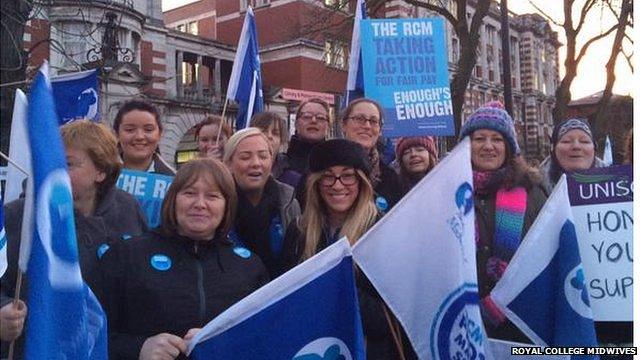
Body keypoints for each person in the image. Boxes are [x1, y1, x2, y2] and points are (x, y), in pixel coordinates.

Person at [1, 120, 147, 357]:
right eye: (53, 160)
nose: (55, 169)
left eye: (68, 164)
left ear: (101, 171)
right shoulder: (17, 215)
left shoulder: (128, 209)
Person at [101, 158, 268, 360]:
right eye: (189, 193)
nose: (200, 204)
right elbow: (89, 334)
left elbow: (266, 338)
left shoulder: (249, 268)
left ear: (227, 205)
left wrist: (223, 342)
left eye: (212, 196)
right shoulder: (127, 256)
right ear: (173, 199)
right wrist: (139, 348)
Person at [281, 139, 416, 359]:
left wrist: (337, 284)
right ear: (316, 182)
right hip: (312, 348)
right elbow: (285, 301)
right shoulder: (298, 232)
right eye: (328, 176)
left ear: (361, 181)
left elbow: (391, 318)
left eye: (347, 175)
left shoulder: (383, 233)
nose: (337, 185)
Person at [458, 101, 547, 342]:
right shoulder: (448, 190)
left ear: (509, 147)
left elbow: (545, 255)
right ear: (467, 145)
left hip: (520, 323)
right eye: (479, 138)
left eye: (497, 139)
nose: (488, 146)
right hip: (462, 322)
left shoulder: (533, 191)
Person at [223, 128, 301, 278]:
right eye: (245, 157)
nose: (256, 163)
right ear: (229, 163)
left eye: (263, 156)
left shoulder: (289, 204)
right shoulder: (217, 206)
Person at [341, 98, 403, 211]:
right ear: (344, 125)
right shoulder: (324, 169)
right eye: (359, 119)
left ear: (380, 130)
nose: (367, 126)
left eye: (374, 121)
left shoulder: (390, 178)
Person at [539, 118, 605, 194]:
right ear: (553, 148)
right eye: (566, 141)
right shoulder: (530, 190)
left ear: (594, 148)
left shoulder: (617, 187)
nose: (576, 146)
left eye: (584, 141)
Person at [278, 98, 331, 188]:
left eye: (320, 118)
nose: (313, 121)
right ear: (296, 123)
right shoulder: (280, 164)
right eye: (307, 116)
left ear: (328, 126)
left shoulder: (335, 164)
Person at [113, 99, 176, 175]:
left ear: (160, 134)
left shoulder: (174, 181)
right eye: (130, 130)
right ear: (117, 134)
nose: (139, 137)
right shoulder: (100, 175)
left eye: (148, 130)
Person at [250, 111, 288, 177]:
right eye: (263, 131)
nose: (269, 136)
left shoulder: (292, 179)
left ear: (281, 141)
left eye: (275, 133)